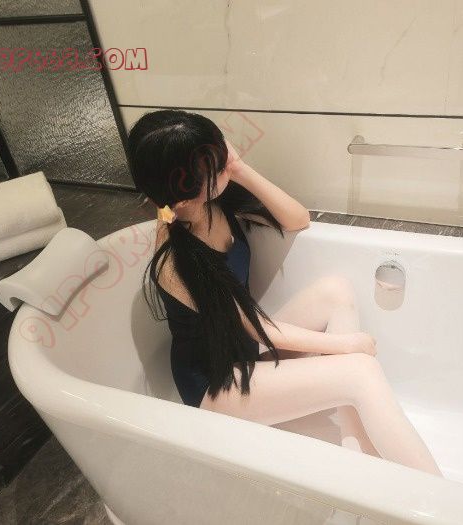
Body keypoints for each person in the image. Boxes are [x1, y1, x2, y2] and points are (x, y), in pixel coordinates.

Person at [127, 109, 442, 476]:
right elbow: (255, 325)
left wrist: (239, 169)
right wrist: (346, 345)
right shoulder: (176, 260)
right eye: (214, 163)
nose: (224, 159)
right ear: (183, 196)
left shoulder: (213, 202)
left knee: (336, 290)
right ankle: (441, 499)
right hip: (216, 384)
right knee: (360, 371)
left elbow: (297, 218)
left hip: (243, 348)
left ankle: (354, 451)